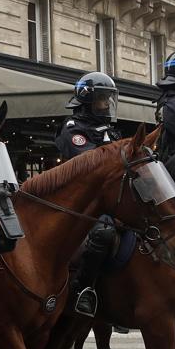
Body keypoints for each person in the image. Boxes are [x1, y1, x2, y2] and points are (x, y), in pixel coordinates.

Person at [54, 71, 120, 316]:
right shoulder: (74, 129)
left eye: (109, 99)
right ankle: (83, 290)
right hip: (82, 200)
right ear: (88, 100)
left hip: (111, 195)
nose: (107, 104)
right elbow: (91, 163)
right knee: (103, 233)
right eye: (103, 99)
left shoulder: (110, 130)